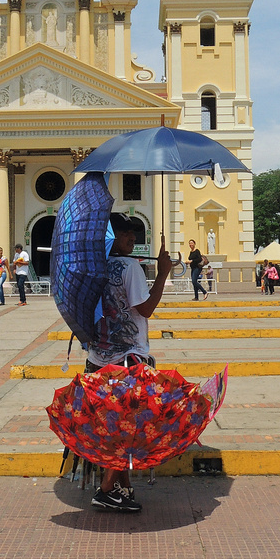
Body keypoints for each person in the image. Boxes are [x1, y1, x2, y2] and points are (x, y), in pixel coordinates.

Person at [88, 213, 173, 513]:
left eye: (133, 233)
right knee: (129, 429)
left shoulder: (92, 268)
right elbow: (147, 308)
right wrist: (163, 273)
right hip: (127, 362)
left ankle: (121, 491)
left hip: (96, 361)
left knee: (112, 428)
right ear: (112, 238)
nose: (132, 238)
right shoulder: (131, 267)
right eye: (125, 233)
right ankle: (106, 489)